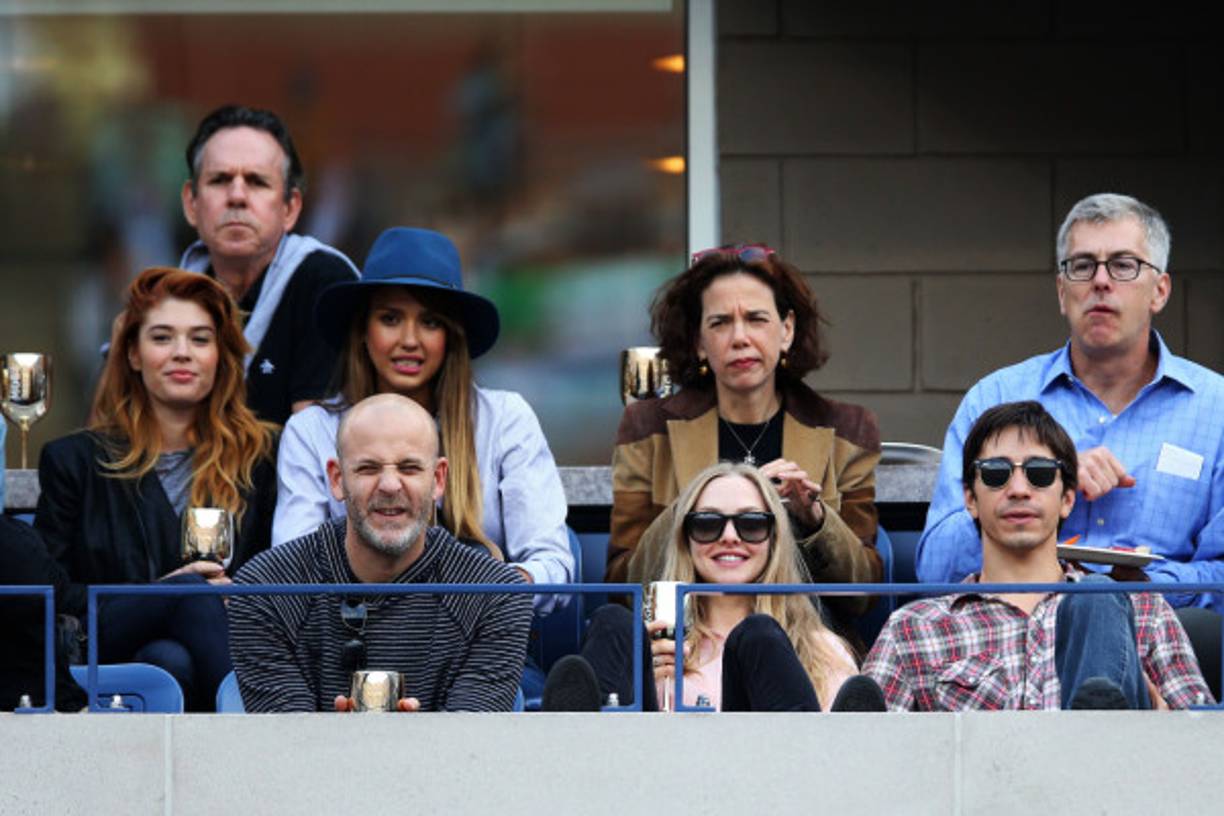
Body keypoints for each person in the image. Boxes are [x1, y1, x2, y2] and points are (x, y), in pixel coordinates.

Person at [917, 194, 1224, 611]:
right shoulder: (996, 398)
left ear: (1160, 291)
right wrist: (1043, 476)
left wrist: (1144, 584)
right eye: (1082, 266)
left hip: (1157, 636)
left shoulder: (1215, 410)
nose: (1100, 281)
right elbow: (935, 569)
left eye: (1123, 264)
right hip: (1012, 635)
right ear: (1063, 292)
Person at [271, 227, 572, 613]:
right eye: (391, 318)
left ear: (451, 336)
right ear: (363, 329)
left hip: (481, 648)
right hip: (347, 650)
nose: (410, 340)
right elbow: (290, 573)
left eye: (430, 322)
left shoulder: (505, 419)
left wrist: (486, 588)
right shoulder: (312, 430)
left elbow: (555, 568)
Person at [34, 267, 278, 710]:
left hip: (217, 640)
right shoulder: (75, 461)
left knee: (169, 660)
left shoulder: (261, 456)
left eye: (200, 339)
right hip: (106, 638)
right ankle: (258, 734)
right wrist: (161, 592)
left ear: (221, 356)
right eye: (162, 338)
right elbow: (51, 589)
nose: (182, 353)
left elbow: (275, 570)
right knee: (187, 597)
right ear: (132, 354)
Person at [864, 401, 1212, 710]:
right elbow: (863, 758)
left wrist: (1153, 706)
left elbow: (1203, 751)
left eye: (1040, 474)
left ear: (1067, 500)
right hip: (977, 780)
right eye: (996, 474)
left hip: (1113, 776)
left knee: (1099, 598)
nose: (1018, 490)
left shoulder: (1144, 611)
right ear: (969, 499)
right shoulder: (913, 628)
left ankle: (1098, 728)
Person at [606, 243, 881, 623]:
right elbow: (624, 587)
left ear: (786, 330)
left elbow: (864, 592)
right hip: (686, 640)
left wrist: (814, 520)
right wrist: (696, 509)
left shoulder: (845, 430)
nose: (739, 338)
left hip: (801, 641)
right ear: (699, 343)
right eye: (719, 323)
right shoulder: (647, 426)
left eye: (756, 319)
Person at [229, 394, 533, 712]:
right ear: (336, 479)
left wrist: (398, 744)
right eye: (368, 468)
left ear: (438, 479)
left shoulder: (495, 595)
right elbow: (283, 747)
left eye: (410, 467)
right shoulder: (264, 588)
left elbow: (471, 749)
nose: (390, 485)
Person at [547, 462, 866, 712]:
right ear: (686, 539)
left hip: (770, 784)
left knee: (761, 637)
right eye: (707, 523)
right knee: (612, 622)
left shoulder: (819, 649)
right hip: (649, 781)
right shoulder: (653, 646)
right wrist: (642, 675)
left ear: (774, 539)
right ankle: (572, 748)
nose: (730, 536)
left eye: (752, 523)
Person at [179, 104, 358, 425]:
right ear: (192, 203)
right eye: (220, 180)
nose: (237, 196)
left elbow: (313, 451)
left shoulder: (324, 282)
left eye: (257, 182)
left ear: (291, 208)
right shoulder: (172, 292)